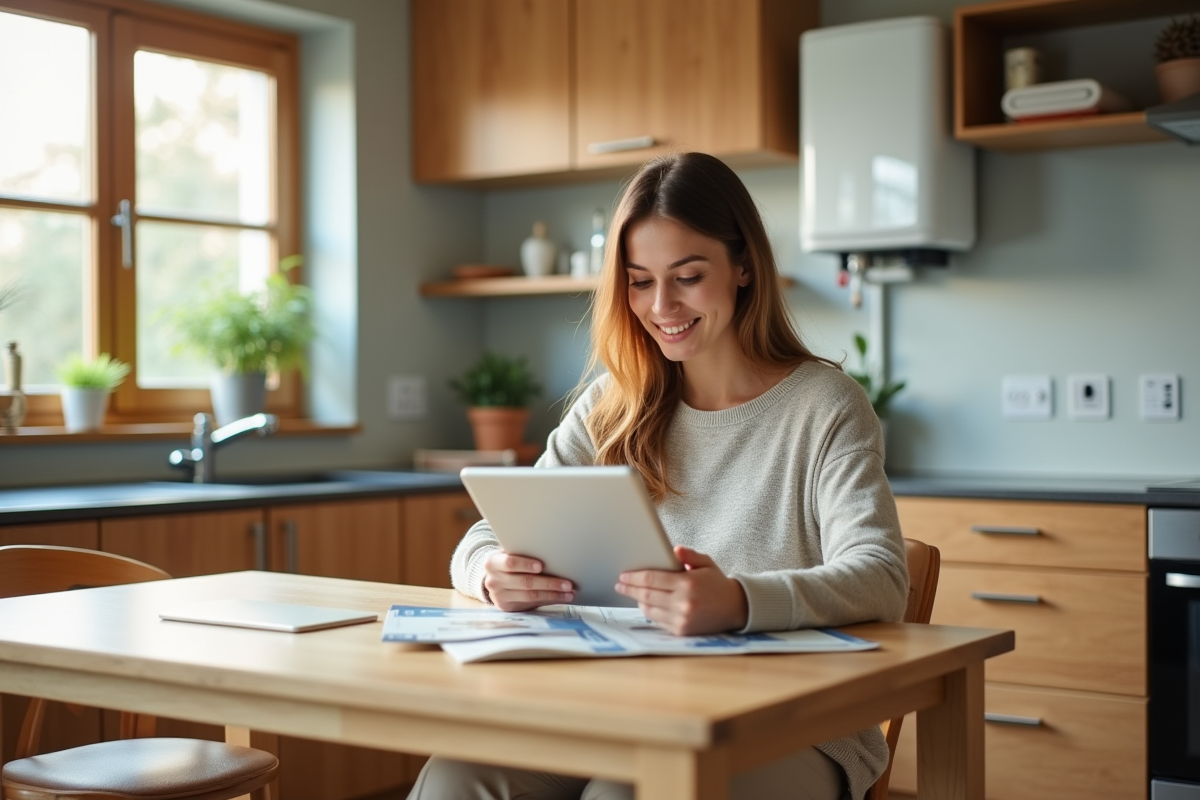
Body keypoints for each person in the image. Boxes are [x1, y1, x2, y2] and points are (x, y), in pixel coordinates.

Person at [408, 152, 909, 800]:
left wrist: (740, 600)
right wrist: (489, 573)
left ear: (744, 266)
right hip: (613, 700)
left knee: (627, 794)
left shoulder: (824, 405)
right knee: (452, 781)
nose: (661, 305)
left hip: (791, 723)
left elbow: (882, 575)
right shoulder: (614, 403)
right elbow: (486, 533)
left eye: (688, 276)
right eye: (639, 281)